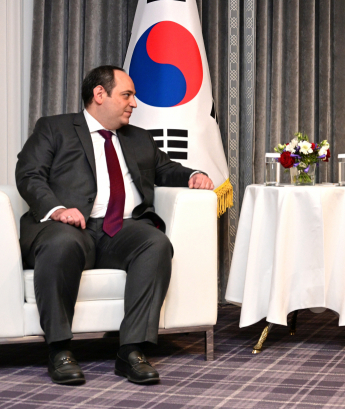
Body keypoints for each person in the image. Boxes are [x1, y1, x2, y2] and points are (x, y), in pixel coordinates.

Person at [16, 65, 214, 385]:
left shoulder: (139, 138)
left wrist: (193, 175)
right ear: (100, 94)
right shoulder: (54, 128)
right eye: (127, 95)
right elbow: (29, 174)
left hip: (121, 229)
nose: (133, 103)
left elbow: (165, 169)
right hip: (69, 226)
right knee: (61, 244)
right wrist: (57, 209)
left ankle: (132, 350)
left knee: (155, 243)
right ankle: (59, 350)